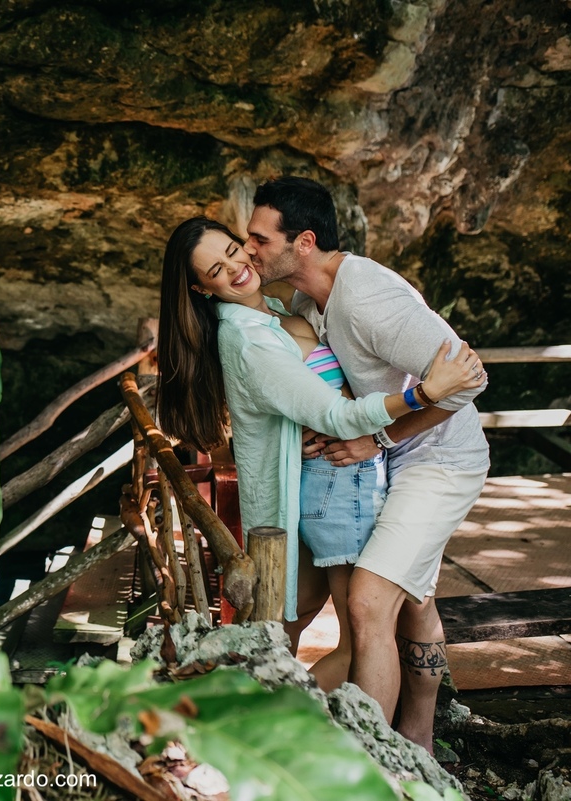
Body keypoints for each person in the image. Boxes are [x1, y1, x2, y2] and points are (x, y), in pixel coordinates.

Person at [156, 217, 485, 691]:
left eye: (233, 250)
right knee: (360, 643)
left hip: (325, 481)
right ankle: (276, 726)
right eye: (215, 270)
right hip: (338, 484)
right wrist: (424, 393)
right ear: (201, 288)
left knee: (289, 619)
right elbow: (338, 417)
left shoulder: (276, 311)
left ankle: (240, 703)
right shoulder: (250, 337)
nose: (236, 266)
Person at [244, 176, 490, 753]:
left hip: (439, 460)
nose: (249, 249)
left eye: (258, 238)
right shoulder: (310, 300)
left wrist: (377, 440)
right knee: (413, 599)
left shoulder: (368, 298)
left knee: (368, 602)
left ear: (302, 241)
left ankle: (375, 759)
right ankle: (418, 738)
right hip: (389, 459)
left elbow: (467, 381)